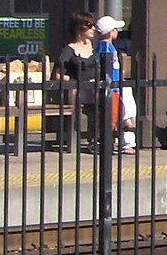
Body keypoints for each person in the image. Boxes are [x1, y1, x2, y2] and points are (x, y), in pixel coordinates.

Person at [94, 15, 137, 154]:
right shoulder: (106, 47)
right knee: (111, 114)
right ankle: (106, 140)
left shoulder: (105, 46)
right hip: (112, 85)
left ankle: (113, 138)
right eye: (115, 29)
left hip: (116, 84)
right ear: (110, 32)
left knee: (117, 111)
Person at [58, 11, 99, 145]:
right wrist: (75, 82)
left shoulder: (96, 48)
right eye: (89, 25)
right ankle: (94, 138)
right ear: (79, 27)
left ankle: (113, 135)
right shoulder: (69, 50)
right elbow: (59, 75)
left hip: (97, 86)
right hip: (79, 89)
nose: (93, 28)